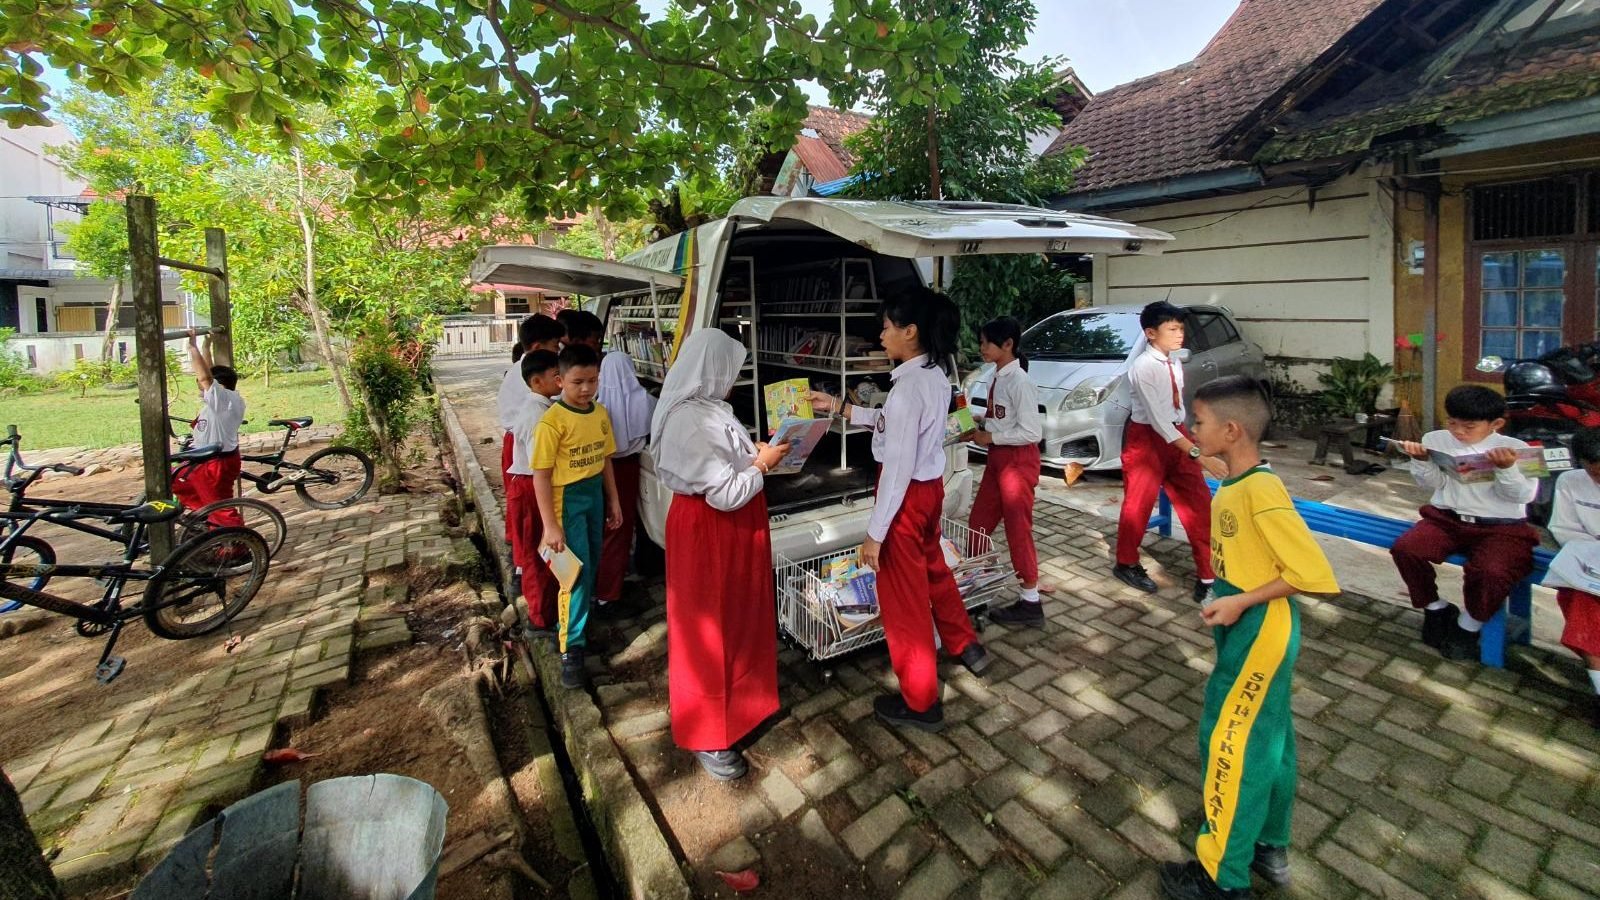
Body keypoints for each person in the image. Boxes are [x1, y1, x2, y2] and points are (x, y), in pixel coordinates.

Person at [1159, 375, 1338, 900]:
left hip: (1259, 628)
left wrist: (1239, 601)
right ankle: (1267, 843)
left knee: (1229, 741)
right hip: (1245, 618)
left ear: (1232, 430)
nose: (1192, 429)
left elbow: (1311, 574)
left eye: (1199, 422)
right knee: (1270, 737)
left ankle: (1222, 875)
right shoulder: (1239, 481)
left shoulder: (1262, 491)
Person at [810, 287, 990, 732]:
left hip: (905, 497)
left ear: (910, 332)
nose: (881, 334)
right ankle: (965, 644)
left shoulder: (908, 388)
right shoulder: (931, 375)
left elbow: (896, 467)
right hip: (928, 492)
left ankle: (921, 700)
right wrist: (839, 408)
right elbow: (893, 424)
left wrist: (876, 533)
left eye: (887, 326)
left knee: (903, 601)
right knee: (934, 571)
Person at [651, 329, 789, 780]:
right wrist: (763, 464)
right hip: (710, 531)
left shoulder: (710, 409)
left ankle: (743, 706)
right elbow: (724, 493)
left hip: (732, 528)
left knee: (740, 617)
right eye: (730, 370)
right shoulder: (690, 420)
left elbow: (728, 468)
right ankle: (708, 731)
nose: (733, 379)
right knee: (708, 628)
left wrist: (758, 455)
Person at [1390, 385, 1538, 660]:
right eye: (1452, 422)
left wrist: (1506, 469)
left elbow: (1524, 496)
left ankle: (1469, 625)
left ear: (1495, 424)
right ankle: (1435, 608)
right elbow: (1432, 484)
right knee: (1406, 549)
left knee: (1492, 572)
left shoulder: (1518, 450)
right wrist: (1421, 460)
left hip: (1501, 527)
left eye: (1469, 426)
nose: (1458, 431)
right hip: (1447, 519)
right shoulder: (1435, 438)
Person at [1113, 301, 1224, 602]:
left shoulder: (1172, 361)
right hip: (1147, 441)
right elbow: (1159, 422)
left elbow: (1175, 413)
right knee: (1137, 506)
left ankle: (1207, 577)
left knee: (1199, 505)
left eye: (1181, 328)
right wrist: (1201, 456)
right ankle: (1126, 562)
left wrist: (1193, 442)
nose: (1179, 335)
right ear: (1151, 333)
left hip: (1178, 438)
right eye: (1172, 329)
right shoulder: (1143, 368)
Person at [533, 343, 623, 689]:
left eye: (592, 381)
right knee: (574, 574)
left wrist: (613, 501)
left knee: (592, 564)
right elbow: (541, 476)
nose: (586, 389)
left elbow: (605, 459)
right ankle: (570, 647)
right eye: (577, 382)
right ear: (559, 381)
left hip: (593, 494)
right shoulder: (552, 422)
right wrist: (550, 525)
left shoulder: (600, 414)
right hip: (565, 500)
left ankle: (579, 630)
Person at [967, 316, 1049, 627]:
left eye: (986, 343)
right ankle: (980, 583)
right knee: (978, 524)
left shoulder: (1020, 382)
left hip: (1017, 462)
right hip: (997, 461)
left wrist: (990, 436)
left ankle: (1030, 600)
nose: (982, 348)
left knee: (1018, 531)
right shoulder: (996, 375)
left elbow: (1031, 432)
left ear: (1008, 345)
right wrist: (978, 420)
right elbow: (1003, 417)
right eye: (981, 342)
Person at [1538, 427, 1600, 728]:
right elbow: (1563, 528)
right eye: (1594, 473)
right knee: (1580, 601)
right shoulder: (1570, 481)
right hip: (1589, 562)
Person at [505, 350, 562, 636]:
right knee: (538, 554)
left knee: (541, 551)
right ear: (537, 381)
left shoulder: (542, 408)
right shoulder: (538, 416)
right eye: (556, 376)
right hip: (532, 486)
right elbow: (540, 465)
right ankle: (540, 618)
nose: (561, 381)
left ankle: (545, 611)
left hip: (531, 484)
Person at [596, 350, 654, 616]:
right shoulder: (643, 400)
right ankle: (608, 595)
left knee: (608, 528)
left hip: (602, 469)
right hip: (626, 468)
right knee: (620, 527)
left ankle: (605, 586)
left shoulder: (596, 405)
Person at [173, 329, 245, 527]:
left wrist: (192, 347)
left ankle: (236, 541)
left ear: (218, 386)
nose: (200, 385)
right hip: (206, 461)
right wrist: (206, 346)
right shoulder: (224, 397)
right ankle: (206, 517)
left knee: (220, 508)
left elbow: (206, 378)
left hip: (216, 464)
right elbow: (209, 373)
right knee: (177, 480)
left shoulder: (222, 401)